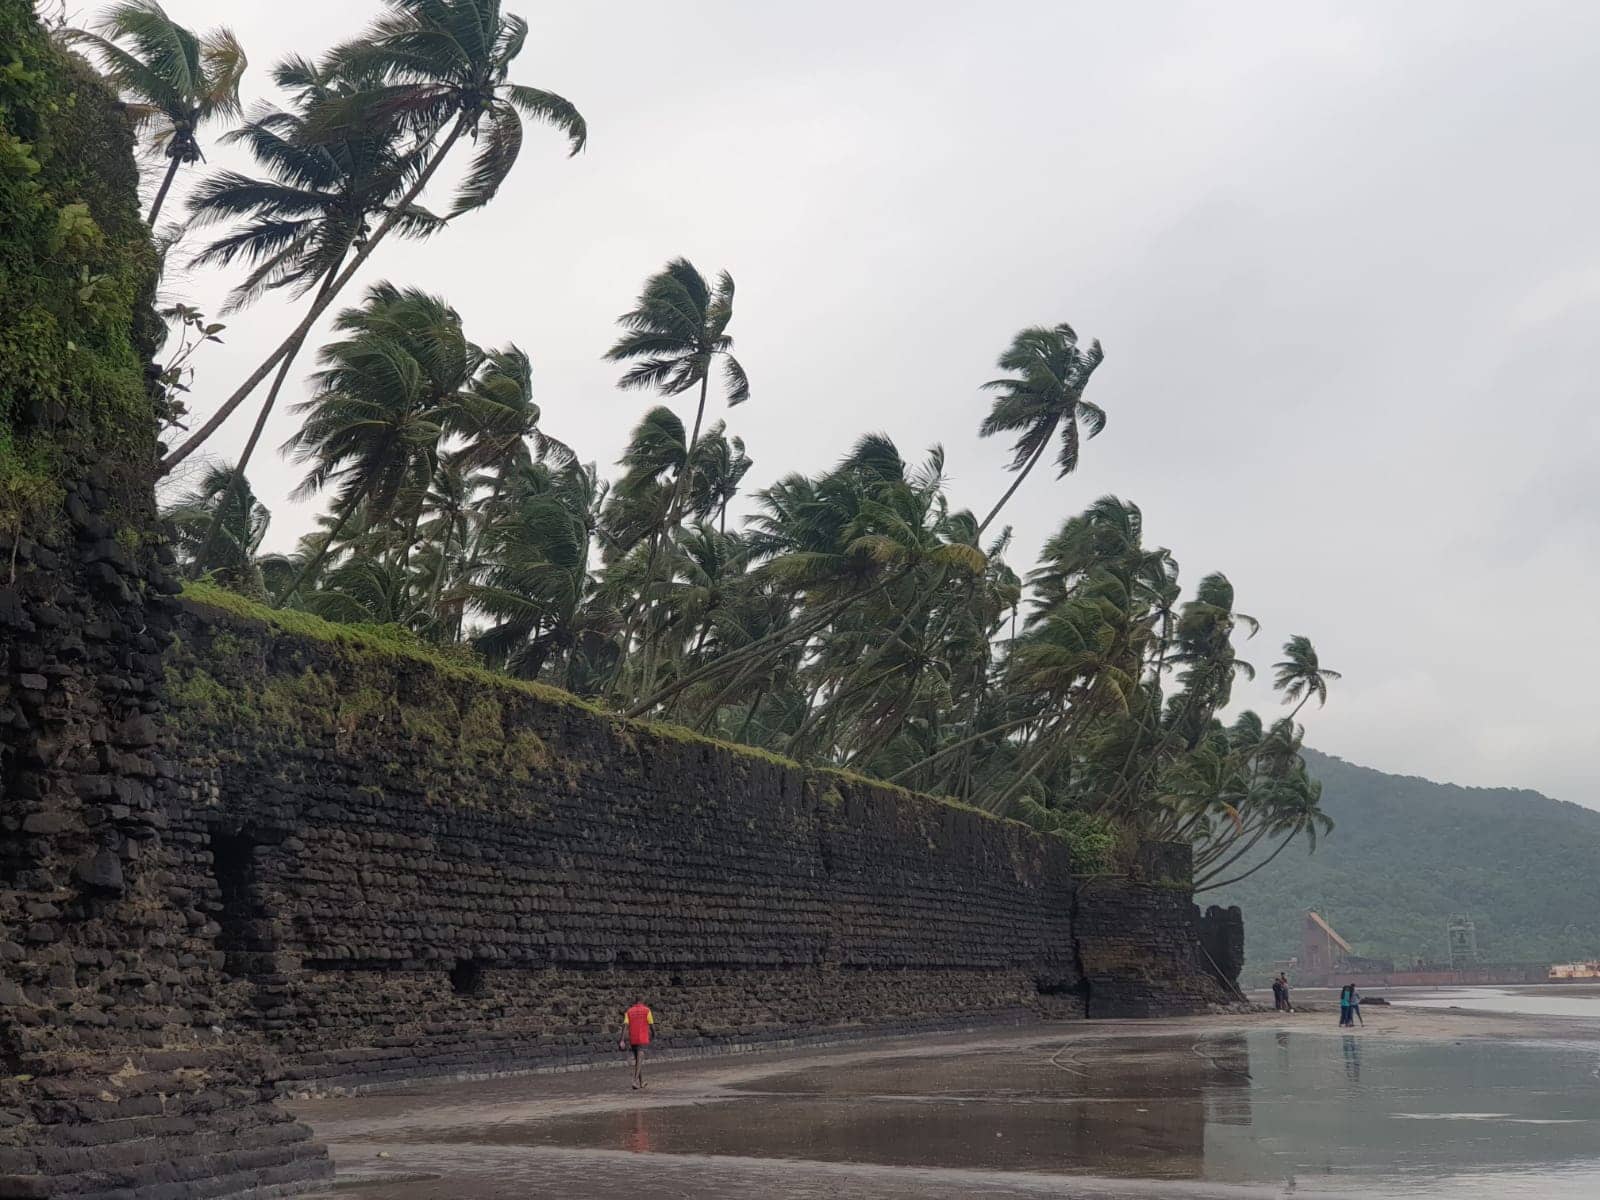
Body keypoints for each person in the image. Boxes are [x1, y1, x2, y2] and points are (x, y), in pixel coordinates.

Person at [622, 999, 654, 1089]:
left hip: (633, 1038)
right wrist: (654, 1034)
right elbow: (651, 1024)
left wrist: (622, 1039)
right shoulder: (647, 1010)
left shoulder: (629, 1011)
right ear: (642, 1002)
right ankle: (635, 1080)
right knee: (640, 1059)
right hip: (642, 1038)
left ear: (635, 1002)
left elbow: (625, 1025)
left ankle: (641, 1082)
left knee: (638, 1061)